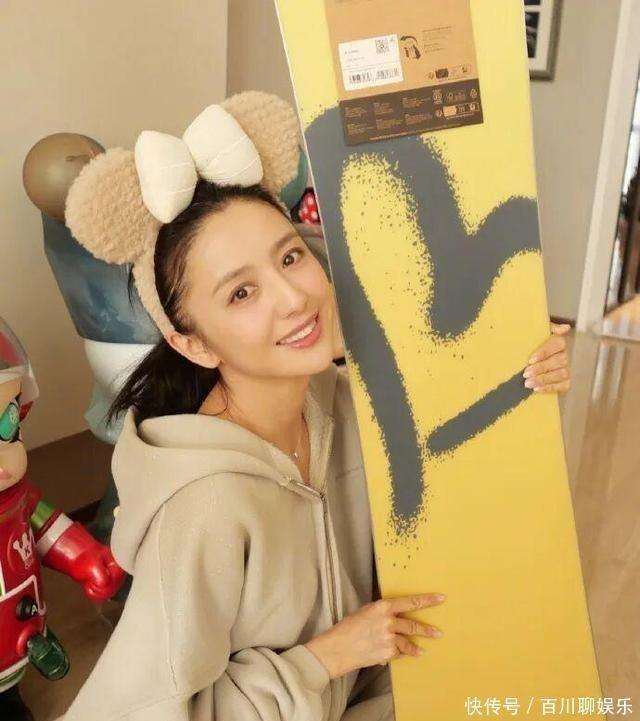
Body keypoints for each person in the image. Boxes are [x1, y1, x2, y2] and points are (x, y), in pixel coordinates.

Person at [59, 102, 571, 721]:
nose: (294, 298)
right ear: (192, 344)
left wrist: (525, 368)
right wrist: (324, 658)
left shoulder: (339, 403)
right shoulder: (203, 507)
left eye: (290, 257)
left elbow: (445, 422)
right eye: (241, 293)